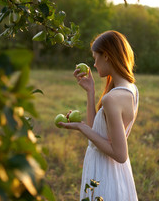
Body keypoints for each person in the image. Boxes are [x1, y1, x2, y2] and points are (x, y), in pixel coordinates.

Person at [59, 30, 139, 200]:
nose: (94, 64)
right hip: (115, 172)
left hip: (105, 171)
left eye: (95, 57)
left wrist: (80, 127)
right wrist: (90, 92)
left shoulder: (112, 98)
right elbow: (97, 131)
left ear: (107, 56)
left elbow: (120, 154)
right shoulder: (131, 89)